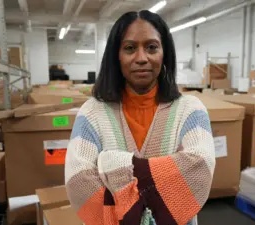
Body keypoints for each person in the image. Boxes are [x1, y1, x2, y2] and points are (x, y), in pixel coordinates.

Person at [65, 10, 215, 225]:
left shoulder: (191, 110)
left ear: (165, 53)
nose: (142, 58)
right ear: (116, 55)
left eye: (152, 47)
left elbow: (200, 167)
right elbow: (78, 180)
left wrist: (111, 164)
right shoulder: (92, 112)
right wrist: (163, 179)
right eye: (130, 48)